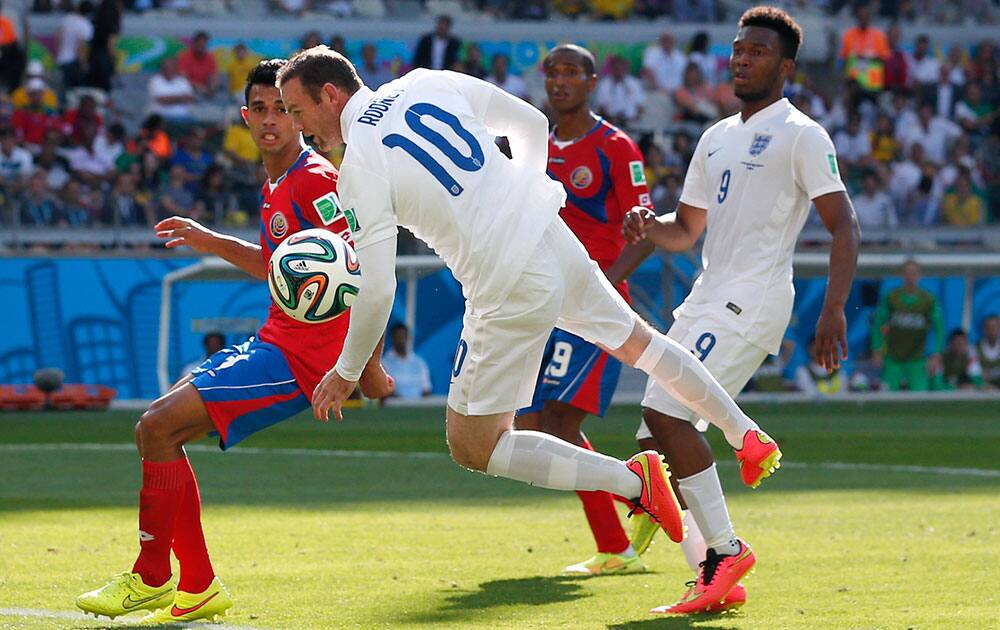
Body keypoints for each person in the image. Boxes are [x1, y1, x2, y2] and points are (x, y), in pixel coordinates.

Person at [277, 46, 784, 588]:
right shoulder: (424, 81)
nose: (300, 130)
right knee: (641, 343)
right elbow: (531, 122)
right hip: (548, 233)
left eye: (298, 111)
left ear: (331, 95)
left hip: (503, 281)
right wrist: (522, 196)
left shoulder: (358, 168)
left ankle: (636, 484)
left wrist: (347, 370)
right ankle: (745, 434)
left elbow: (377, 288)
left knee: (474, 446)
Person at [74, 59, 393, 624]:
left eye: (283, 110)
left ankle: (151, 578)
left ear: (299, 116)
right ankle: (195, 587)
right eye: (261, 110)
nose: (272, 121)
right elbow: (278, 266)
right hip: (276, 342)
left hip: (302, 359)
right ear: (246, 117)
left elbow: (357, 271)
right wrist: (206, 238)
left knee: (155, 425)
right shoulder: (277, 180)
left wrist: (362, 369)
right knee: (161, 433)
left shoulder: (314, 179)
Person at [622, 6, 859, 614]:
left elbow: (844, 223)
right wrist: (653, 227)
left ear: (784, 65)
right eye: (737, 50)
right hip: (705, 296)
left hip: (751, 300)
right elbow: (688, 230)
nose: (742, 59)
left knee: (666, 416)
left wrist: (833, 310)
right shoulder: (715, 135)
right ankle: (712, 575)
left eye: (756, 52)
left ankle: (726, 548)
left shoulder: (802, 134)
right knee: (654, 441)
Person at [514, 44, 657, 577]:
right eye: (552, 72)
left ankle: (622, 531)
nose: (560, 81)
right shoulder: (533, 146)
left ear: (593, 81)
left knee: (560, 422)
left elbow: (645, 234)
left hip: (594, 307)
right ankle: (636, 504)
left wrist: (600, 283)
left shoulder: (615, 147)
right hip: (544, 302)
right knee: (530, 426)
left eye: (571, 72)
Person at [871, 260, 944, 392]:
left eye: (914, 273)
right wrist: (877, 349)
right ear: (902, 275)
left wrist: (936, 353)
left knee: (918, 400)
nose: (911, 276)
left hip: (916, 360)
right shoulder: (891, 297)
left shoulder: (928, 300)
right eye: (907, 273)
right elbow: (878, 324)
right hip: (893, 359)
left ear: (920, 275)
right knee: (888, 398)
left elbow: (939, 327)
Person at [381, 322, 432, 399]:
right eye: (398, 336)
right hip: (394, 407)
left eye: (403, 336)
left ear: (408, 338)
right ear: (392, 338)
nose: (401, 340)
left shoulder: (419, 363)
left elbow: (427, 389)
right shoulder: (384, 363)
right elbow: (385, 391)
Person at [975, 315, 1000, 389]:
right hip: (982, 390)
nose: (992, 330)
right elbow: (975, 373)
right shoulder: (974, 348)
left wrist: (992, 373)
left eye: (995, 327)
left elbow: (986, 374)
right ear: (984, 329)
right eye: (988, 327)